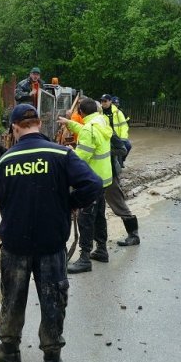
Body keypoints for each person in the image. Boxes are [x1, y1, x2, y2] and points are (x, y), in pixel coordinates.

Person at [0, 103, 101, 362]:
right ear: (39, 124)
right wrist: (70, 204)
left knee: (13, 299)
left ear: (15, 128)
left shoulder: (4, 162)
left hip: (15, 246)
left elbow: (3, 202)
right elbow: (94, 185)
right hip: (51, 245)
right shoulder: (61, 154)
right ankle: (52, 361)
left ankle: (10, 350)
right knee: (52, 300)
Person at [58, 97, 113, 274]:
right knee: (99, 215)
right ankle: (102, 250)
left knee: (85, 218)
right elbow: (86, 130)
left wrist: (69, 153)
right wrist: (69, 123)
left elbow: (81, 158)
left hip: (91, 180)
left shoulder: (89, 129)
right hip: (104, 178)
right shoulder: (101, 121)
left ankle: (84, 258)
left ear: (81, 113)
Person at [101, 94, 131, 164]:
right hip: (106, 137)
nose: (103, 103)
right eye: (102, 101)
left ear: (110, 101)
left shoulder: (118, 112)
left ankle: (122, 161)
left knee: (128, 146)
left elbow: (124, 126)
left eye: (105, 101)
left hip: (117, 137)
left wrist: (123, 138)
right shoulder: (99, 112)